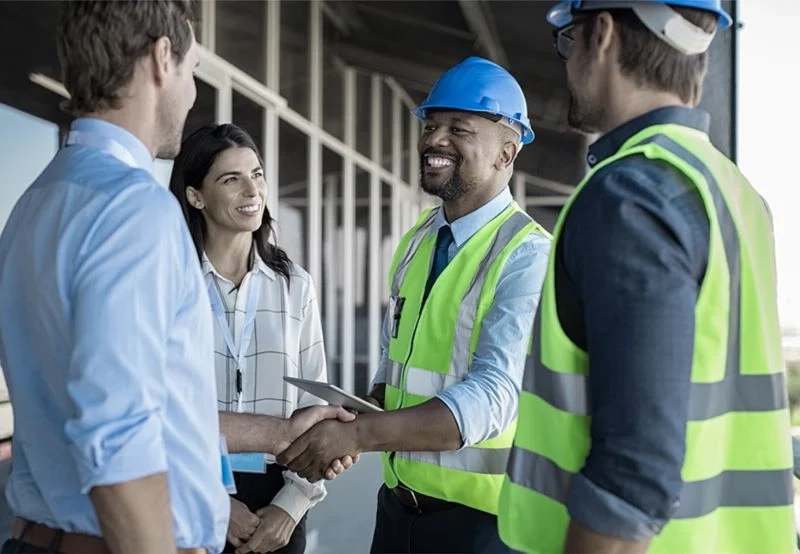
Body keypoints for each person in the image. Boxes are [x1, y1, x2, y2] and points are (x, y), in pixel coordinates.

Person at [0, 2, 351, 554]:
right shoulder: (134, 210)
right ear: (163, 59)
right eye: (192, 70)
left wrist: (280, 435)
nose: (190, 92)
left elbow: (157, 408)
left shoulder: (37, 202)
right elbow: (119, 439)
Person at [498, 1, 796, 554]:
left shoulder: (631, 195)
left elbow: (631, 480)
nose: (567, 65)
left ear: (603, 33)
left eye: (569, 41)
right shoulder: (734, 191)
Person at [276, 56, 553, 554]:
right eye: (431, 124)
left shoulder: (527, 256)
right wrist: (355, 415)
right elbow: (395, 361)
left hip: (483, 529)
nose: (434, 139)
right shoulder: (420, 239)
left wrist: (361, 436)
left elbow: (493, 397)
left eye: (458, 128)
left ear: (506, 152)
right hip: (398, 510)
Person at [169, 123, 337, 554]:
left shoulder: (294, 284)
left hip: (277, 497)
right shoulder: (171, 283)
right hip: (188, 492)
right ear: (195, 196)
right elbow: (159, 408)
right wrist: (212, 501)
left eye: (257, 174)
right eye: (232, 179)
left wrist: (292, 505)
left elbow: (314, 405)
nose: (252, 190)